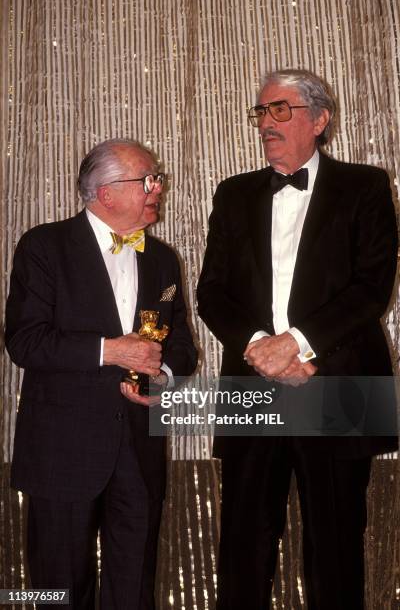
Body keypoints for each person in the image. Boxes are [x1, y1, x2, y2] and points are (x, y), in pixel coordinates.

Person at [197, 69, 398, 609]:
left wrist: (298, 344)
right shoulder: (233, 193)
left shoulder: (367, 186)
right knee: (241, 543)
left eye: (279, 110)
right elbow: (211, 295)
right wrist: (263, 347)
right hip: (252, 383)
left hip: (338, 383)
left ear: (321, 119)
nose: (266, 122)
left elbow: (370, 290)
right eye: (261, 112)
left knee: (335, 545)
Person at [5, 138, 197, 610]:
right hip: (61, 453)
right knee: (57, 591)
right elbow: (24, 341)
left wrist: (162, 377)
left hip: (139, 451)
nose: (158, 187)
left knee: (133, 590)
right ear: (106, 192)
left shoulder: (162, 258)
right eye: (148, 179)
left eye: (157, 178)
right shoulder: (44, 246)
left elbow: (181, 348)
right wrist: (112, 351)